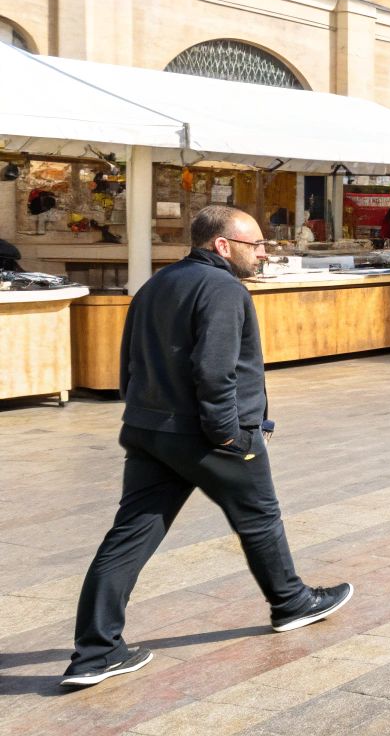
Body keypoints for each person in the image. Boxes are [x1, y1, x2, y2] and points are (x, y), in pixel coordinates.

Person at [63, 206, 351, 688]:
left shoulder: (156, 284)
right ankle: (291, 601)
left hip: (150, 429)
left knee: (130, 535)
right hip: (206, 433)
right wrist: (229, 434)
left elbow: (129, 359)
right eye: (255, 245)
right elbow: (215, 371)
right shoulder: (223, 289)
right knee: (260, 518)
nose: (263, 254)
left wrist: (138, 410)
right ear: (222, 245)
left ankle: (95, 652)